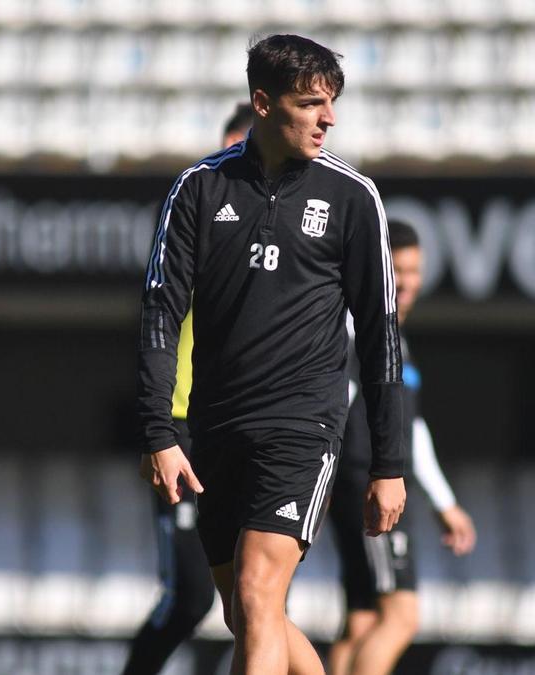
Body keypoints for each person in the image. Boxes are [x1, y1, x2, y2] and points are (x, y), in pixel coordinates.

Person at [136, 34, 406, 675]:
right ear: (263, 103)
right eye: (312, 103)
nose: (329, 118)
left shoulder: (353, 198)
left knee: (258, 593)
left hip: (303, 425)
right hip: (216, 429)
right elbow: (159, 314)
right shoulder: (198, 190)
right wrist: (157, 431)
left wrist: (387, 462)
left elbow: (380, 335)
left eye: (332, 103)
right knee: (249, 614)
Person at [122, 101, 255, 675]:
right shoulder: (198, 206)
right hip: (182, 426)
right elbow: (158, 313)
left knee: (255, 596)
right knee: (194, 598)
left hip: (241, 424)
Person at [327, 220, 478, 675]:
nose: (408, 282)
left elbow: (410, 425)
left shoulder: (390, 334)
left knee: (362, 620)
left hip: (361, 481)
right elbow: (337, 403)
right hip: (368, 484)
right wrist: (324, 472)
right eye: (398, 270)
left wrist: (443, 500)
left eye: (415, 271)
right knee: (401, 617)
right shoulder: (362, 332)